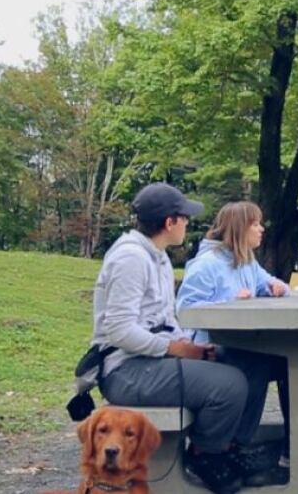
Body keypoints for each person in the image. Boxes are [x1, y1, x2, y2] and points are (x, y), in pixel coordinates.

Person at [91, 182, 258, 494]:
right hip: (126, 371)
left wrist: (191, 347)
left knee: (245, 363)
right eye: (184, 218)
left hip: (150, 362)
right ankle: (205, 456)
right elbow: (118, 330)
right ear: (170, 223)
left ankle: (227, 448)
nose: (187, 224)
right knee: (229, 384)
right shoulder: (131, 259)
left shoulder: (159, 257)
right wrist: (175, 349)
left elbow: (166, 319)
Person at [176, 201, 291, 482]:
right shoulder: (207, 265)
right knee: (254, 362)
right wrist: (226, 304)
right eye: (255, 224)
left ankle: (292, 444)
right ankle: (224, 447)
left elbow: (276, 284)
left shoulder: (247, 262)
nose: (261, 229)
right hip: (212, 349)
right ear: (239, 229)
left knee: (292, 362)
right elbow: (185, 310)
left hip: (242, 346)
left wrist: (277, 287)